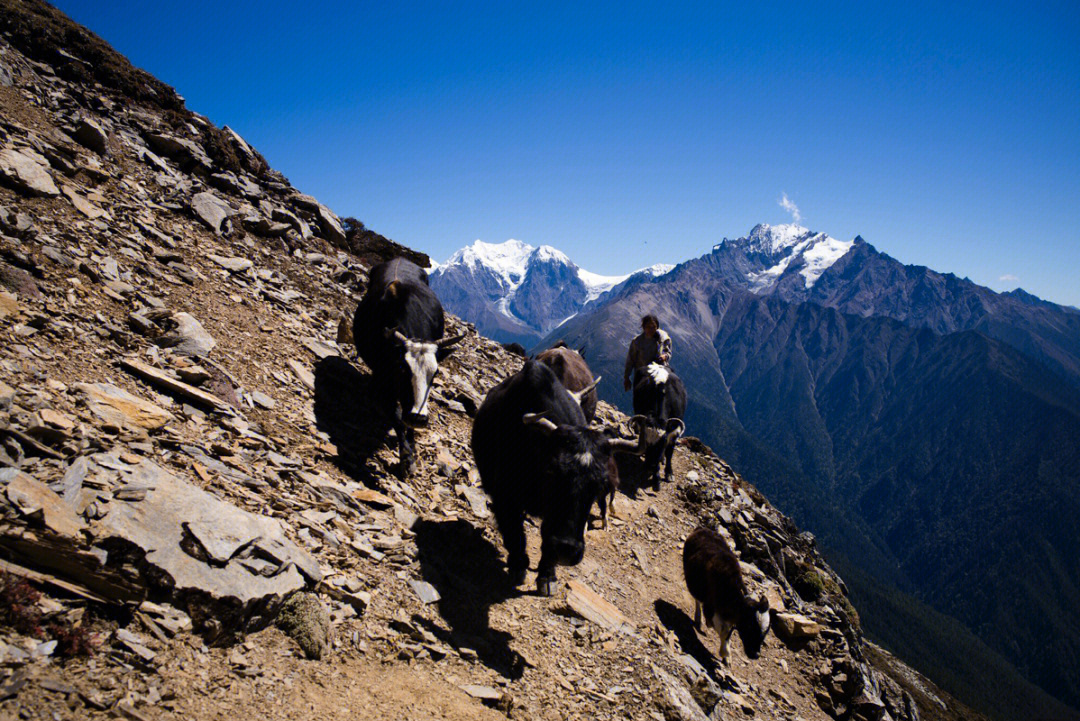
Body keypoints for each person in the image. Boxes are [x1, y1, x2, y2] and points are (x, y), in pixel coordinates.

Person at [623, 314, 672, 391]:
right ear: (643, 327)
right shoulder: (637, 342)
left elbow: (668, 353)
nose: (651, 329)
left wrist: (665, 357)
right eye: (648, 327)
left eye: (653, 327)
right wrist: (626, 377)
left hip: (659, 374)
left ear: (657, 327)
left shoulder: (662, 340)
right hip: (643, 376)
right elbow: (630, 361)